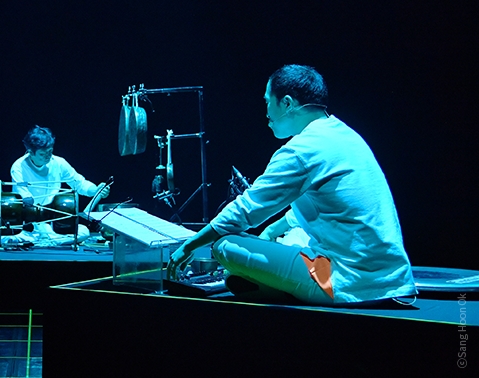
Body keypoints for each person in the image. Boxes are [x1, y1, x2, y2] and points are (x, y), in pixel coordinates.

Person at [167, 65, 416, 305]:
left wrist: (189, 245)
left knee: (225, 245)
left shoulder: (302, 150)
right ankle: (282, 285)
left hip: (342, 282)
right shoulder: (345, 135)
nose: (266, 111)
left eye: (267, 102)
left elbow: (247, 209)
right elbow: (326, 209)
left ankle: (287, 289)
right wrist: (270, 232)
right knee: (291, 236)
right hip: (389, 277)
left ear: (286, 103)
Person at [0, 125, 110, 246]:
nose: (48, 156)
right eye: (42, 154)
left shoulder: (59, 163)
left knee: (83, 231)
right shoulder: (19, 166)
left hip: (50, 224)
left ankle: (43, 242)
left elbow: (80, 183)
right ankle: (43, 241)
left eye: (50, 151)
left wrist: (96, 190)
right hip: (26, 225)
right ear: (30, 152)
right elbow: (25, 199)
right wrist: (40, 228)